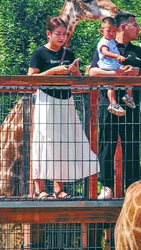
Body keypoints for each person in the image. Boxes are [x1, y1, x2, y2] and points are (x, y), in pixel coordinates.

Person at [28, 16, 99, 199]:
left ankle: (59, 188)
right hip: (46, 102)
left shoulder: (68, 53)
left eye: (64, 34)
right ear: (48, 34)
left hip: (66, 101)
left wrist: (75, 72)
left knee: (62, 143)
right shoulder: (39, 53)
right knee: (43, 142)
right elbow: (31, 78)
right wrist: (53, 72)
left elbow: (79, 81)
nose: (61, 38)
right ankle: (40, 188)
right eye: (58, 34)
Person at [88, 11, 141, 199]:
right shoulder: (105, 46)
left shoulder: (139, 51)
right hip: (108, 104)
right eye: (135, 24)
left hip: (132, 106)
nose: (139, 27)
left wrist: (136, 71)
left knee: (132, 145)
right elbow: (92, 72)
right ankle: (106, 187)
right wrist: (116, 74)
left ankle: (132, 188)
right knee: (107, 144)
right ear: (123, 27)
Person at [95, 16, 136, 116]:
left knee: (128, 74)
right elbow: (105, 52)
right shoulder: (103, 42)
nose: (111, 34)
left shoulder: (111, 41)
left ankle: (127, 95)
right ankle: (114, 103)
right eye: (108, 31)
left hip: (114, 65)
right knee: (111, 85)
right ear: (102, 31)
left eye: (114, 31)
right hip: (109, 66)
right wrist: (117, 56)